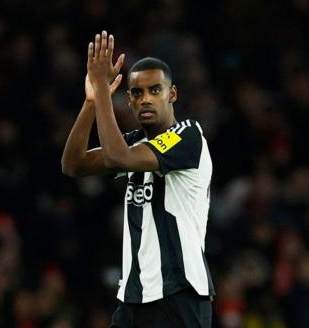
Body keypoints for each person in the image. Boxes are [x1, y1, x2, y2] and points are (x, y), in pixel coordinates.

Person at [62, 31, 214, 327]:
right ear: (128, 99)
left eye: (155, 90)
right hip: (133, 299)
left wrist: (104, 92)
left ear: (172, 94)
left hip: (179, 295)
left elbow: (119, 157)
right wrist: (92, 100)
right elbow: (74, 164)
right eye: (136, 93)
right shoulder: (133, 143)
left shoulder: (188, 136)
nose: (146, 99)